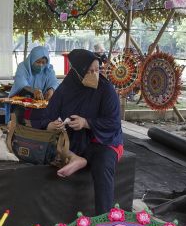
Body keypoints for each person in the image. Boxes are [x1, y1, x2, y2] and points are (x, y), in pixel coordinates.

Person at [33, 49, 123, 214]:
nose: (95, 75)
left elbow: (114, 123)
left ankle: (104, 219)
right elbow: (46, 117)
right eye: (90, 71)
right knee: (44, 146)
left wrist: (86, 123)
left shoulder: (106, 89)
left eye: (97, 70)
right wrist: (50, 125)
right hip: (74, 140)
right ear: (77, 71)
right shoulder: (66, 88)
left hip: (101, 141)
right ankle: (75, 158)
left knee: (103, 164)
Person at [9, 46, 59, 124]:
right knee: (18, 116)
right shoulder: (23, 67)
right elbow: (21, 83)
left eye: (43, 62)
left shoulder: (48, 69)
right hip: (22, 101)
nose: (41, 65)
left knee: (48, 115)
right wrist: (34, 91)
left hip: (41, 102)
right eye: (38, 62)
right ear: (32, 60)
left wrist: (51, 90)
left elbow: (54, 82)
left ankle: (39, 131)